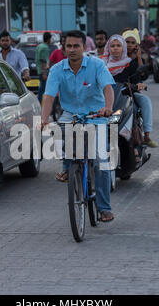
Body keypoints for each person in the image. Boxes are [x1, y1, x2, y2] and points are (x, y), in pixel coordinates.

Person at [40, 30, 115, 222]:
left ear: (84, 47)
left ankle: (104, 208)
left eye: (76, 46)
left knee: (100, 160)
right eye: (68, 46)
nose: (72, 50)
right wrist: (43, 119)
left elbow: (108, 87)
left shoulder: (97, 65)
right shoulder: (57, 69)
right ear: (63, 48)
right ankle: (67, 166)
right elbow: (48, 96)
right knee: (60, 131)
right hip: (70, 115)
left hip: (96, 116)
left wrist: (108, 108)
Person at [101, 34, 158, 148]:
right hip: (105, 95)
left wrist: (138, 85)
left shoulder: (130, 63)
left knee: (144, 101)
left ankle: (145, 135)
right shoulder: (101, 64)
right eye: (112, 46)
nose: (115, 48)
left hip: (126, 93)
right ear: (108, 48)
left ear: (123, 48)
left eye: (118, 45)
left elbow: (137, 77)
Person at [36, 32, 51, 102]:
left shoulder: (39, 46)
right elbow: (43, 61)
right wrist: (44, 73)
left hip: (39, 70)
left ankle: (39, 103)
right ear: (48, 39)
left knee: (41, 89)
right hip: (43, 71)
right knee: (44, 90)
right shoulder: (45, 47)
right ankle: (41, 104)